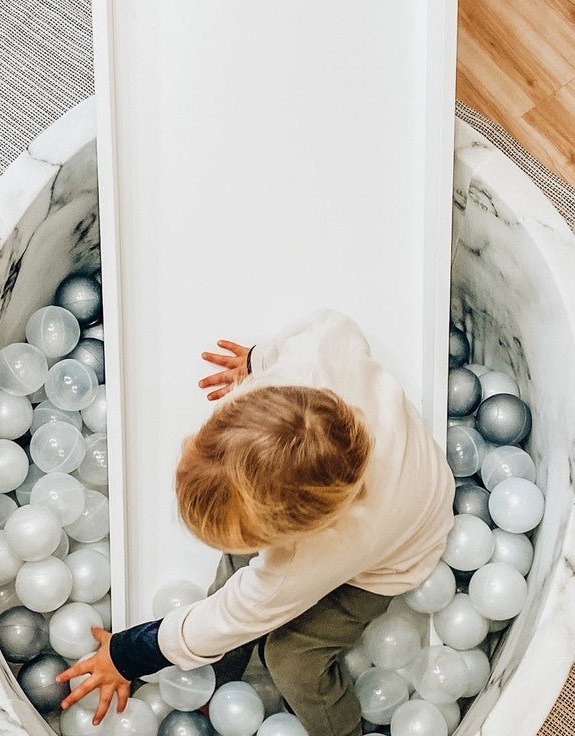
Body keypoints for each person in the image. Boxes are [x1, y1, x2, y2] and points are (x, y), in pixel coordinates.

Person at [58, 310, 455, 736]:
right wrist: (255, 359)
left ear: (295, 536)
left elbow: (228, 617)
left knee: (291, 657)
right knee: (243, 555)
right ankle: (219, 674)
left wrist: (126, 655)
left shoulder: (312, 557)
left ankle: (341, 729)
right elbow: (329, 324)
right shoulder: (317, 353)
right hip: (390, 478)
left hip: (394, 555)